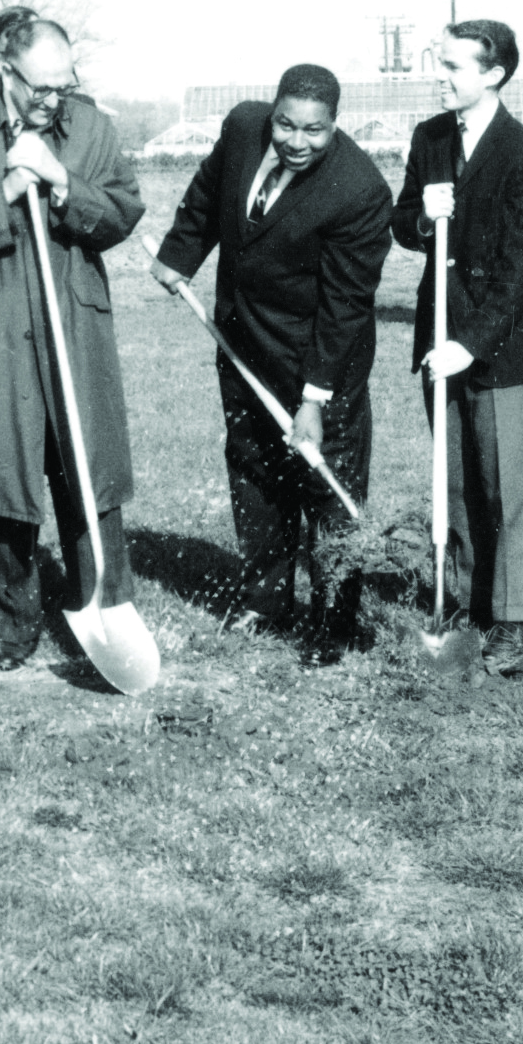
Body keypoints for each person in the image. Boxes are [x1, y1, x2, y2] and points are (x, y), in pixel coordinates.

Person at [0, 9, 145, 671]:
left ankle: (107, 603)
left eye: (62, 84)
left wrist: (64, 181)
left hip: (73, 323)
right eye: (39, 85)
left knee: (86, 470)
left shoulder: (92, 125)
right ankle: (16, 624)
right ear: (3, 69)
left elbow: (123, 209)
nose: (52, 98)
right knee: (3, 478)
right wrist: (12, 186)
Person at [150, 64, 394, 629]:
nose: (297, 141)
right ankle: (266, 603)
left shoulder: (359, 191)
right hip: (240, 337)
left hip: (316, 353)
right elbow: (210, 191)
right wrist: (179, 255)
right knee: (253, 465)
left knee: (324, 480)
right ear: (273, 112)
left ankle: (336, 619)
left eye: (314, 131)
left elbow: (345, 306)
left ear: (335, 125)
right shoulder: (242, 127)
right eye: (286, 125)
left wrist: (314, 398)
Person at [393, 19, 523, 660]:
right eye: (440, 63)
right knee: (455, 479)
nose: (440, 75)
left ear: (494, 74)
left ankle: (512, 618)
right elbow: (403, 222)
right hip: (441, 336)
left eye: (454, 66)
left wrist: (474, 341)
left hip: (501, 348)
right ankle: (459, 595)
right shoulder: (429, 137)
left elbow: (522, 270)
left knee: (505, 483)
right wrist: (421, 218)